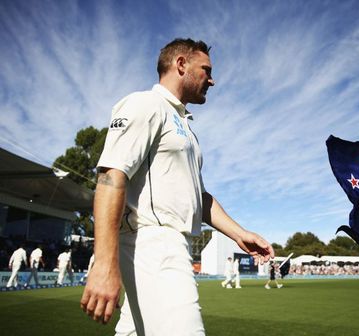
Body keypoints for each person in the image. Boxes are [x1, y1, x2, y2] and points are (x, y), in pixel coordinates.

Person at [80, 38, 274, 335]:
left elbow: (201, 197)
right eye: (206, 70)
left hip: (168, 245)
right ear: (181, 64)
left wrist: (240, 234)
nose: (212, 79)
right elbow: (110, 176)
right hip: (153, 243)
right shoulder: (145, 104)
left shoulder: (186, 130)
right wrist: (104, 263)